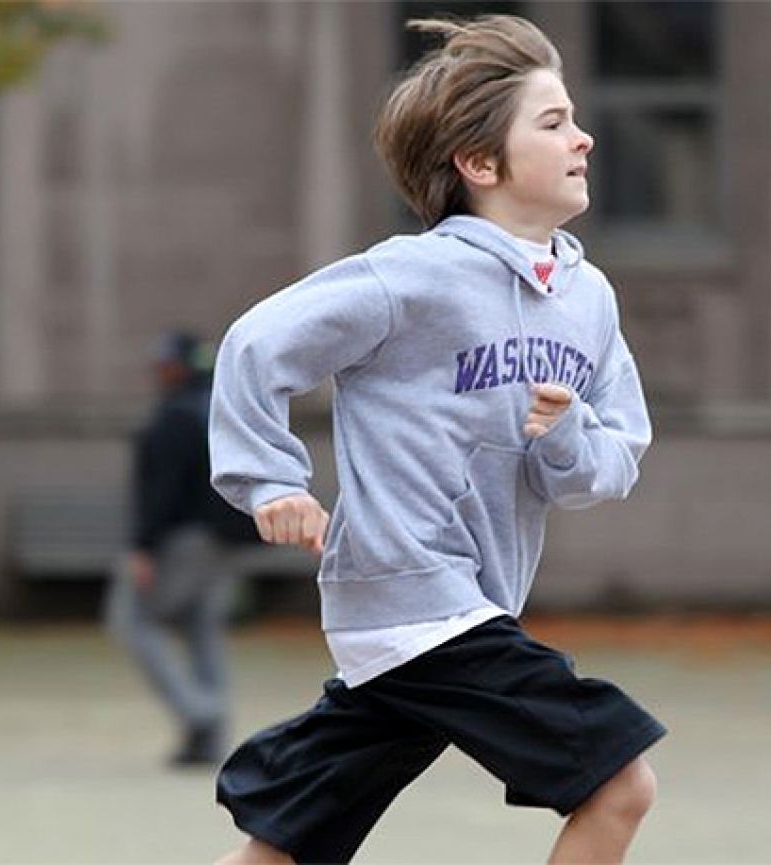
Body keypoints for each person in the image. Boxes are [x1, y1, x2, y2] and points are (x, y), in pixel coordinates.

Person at [208, 15, 664, 864]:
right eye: (553, 122)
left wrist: (561, 435)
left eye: (574, 117)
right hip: (415, 594)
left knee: (290, 841)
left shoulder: (588, 297)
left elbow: (603, 466)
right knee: (619, 781)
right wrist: (270, 480)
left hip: (466, 607)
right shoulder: (410, 276)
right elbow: (255, 345)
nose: (585, 137)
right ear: (481, 164)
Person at [107, 330, 260, 768]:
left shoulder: (176, 415)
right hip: (226, 539)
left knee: (131, 620)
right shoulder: (222, 409)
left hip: (183, 540)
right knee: (201, 630)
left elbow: (162, 488)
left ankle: (201, 711)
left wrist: (142, 546)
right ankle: (208, 739)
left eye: (166, 365)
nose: (160, 374)